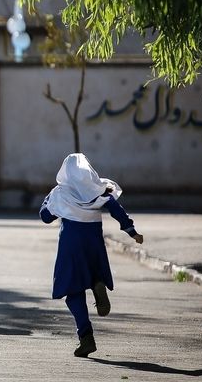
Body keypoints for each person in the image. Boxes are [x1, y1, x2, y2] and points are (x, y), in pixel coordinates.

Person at [39, 153, 143, 357]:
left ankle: (86, 337)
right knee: (92, 270)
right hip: (93, 239)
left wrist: (48, 200)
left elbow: (45, 216)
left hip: (70, 242)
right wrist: (131, 231)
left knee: (72, 290)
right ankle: (97, 283)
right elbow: (115, 207)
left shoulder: (60, 192)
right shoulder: (98, 190)